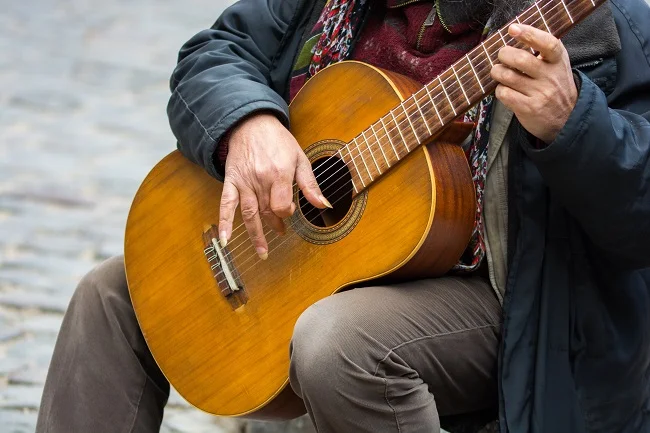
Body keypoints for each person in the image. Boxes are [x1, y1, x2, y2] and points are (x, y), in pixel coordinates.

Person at [36, 0, 650, 431]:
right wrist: (247, 121)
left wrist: (574, 127)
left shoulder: (604, 28)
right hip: (332, 261)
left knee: (338, 341)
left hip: (513, 300)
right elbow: (217, 51)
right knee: (111, 296)